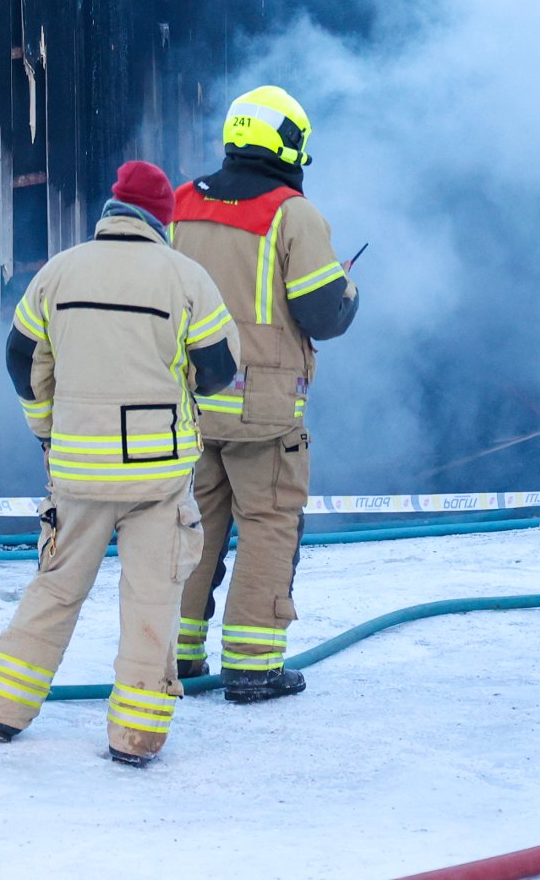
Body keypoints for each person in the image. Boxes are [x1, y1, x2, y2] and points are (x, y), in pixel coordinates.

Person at [0, 160, 238, 764]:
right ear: (162, 220)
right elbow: (220, 369)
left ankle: (2, 709)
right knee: (152, 599)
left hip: (75, 468)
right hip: (157, 472)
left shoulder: (58, 273)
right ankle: (136, 736)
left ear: (111, 211)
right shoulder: (186, 278)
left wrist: (45, 428)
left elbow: (20, 359)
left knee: (56, 586)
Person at [168, 86, 359, 701]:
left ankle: (175, 655)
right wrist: (348, 295)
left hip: (190, 404)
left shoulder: (180, 204)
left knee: (191, 529)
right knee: (269, 524)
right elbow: (323, 312)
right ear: (289, 144)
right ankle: (253, 667)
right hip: (264, 411)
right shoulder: (292, 215)